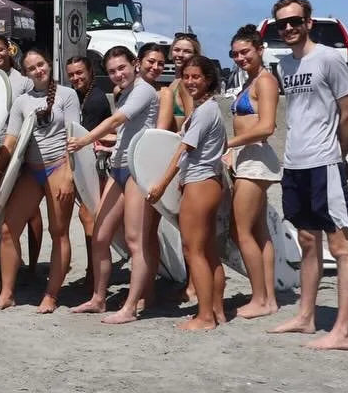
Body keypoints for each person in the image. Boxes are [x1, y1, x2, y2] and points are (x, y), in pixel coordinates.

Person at [266, 0, 348, 349]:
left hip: (323, 163)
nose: (288, 28)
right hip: (295, 163)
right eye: (282, 24)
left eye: (294, 21)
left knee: (340, 246)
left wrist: (336, 154)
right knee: (308, 242)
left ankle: (343, 331)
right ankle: (305, 316)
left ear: (308, 22)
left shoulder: (329, 59)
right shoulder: (284, 66)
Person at [67, 43, 168, 321]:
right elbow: (124, 131)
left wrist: (85, 140)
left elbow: (117, 120)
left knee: (136, 242)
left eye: (122, 68)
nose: (117, 74)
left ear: (134, 64)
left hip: (139, 170)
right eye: (111, 71)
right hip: (119, 167)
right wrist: (104, 145)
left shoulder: (144, 89)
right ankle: (99, 298)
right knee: (100, 237)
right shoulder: (123, 93)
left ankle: (130, 308)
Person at [0, 48, 80, 312]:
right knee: (8, 229)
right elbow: (11, 139)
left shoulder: (67, 95)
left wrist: (68, 176)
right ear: (26, 73)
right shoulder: (21, 101)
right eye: (32, 68)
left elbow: (74, 137)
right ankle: (7, 292)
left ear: (48, 64)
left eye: (41, 65)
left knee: (59, 232)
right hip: (31, 170)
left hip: (58, 168)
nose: (38, 71)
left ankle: (51, 295)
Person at [146, 55, 227, 331]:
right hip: (208, 181)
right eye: (187, 76)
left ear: (209, 79)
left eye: (197, 77)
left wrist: (160, 185)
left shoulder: (205, 111)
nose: (191, 82)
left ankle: (205, 317)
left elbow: (183, 150)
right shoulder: (209, 108)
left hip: (200, 183)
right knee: (208, 251)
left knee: (194, 252)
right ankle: (216, 309)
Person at [224, 25, 283, 319]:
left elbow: (267, 126)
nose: (239, 57)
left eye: (245, 51)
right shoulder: (250, 81)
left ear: (260, 50)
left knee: (240, 229)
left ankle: (260, 297)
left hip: (256, 160)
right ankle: (268, 298)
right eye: (234, 53)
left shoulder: (266, 81)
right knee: (259, 231)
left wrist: (228, 143)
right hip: (247, 158)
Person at [0, 35, 39, 281]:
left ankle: (33, 268)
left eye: (0, 49)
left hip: (20, 150)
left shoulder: (23, 81)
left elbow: (31, 115)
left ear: (9, 50)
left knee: (32, 211)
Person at [66, 54, 113, 286]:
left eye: (79, 73)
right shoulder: (79, 96)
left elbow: (86, 140)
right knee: (89, 216)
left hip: (98, 166)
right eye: (71, 75)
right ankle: (93, 269)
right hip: (92, 162)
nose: (76, 78)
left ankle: (95, 272)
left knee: (88, 216)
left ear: (90, 72)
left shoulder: (95, 99)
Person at [159, 33, 200, 133]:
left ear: (195, 55)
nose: (180, 55)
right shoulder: (175, 82)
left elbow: (192, 119)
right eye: (177, 50)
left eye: (187, 51)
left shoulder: (186, 83)